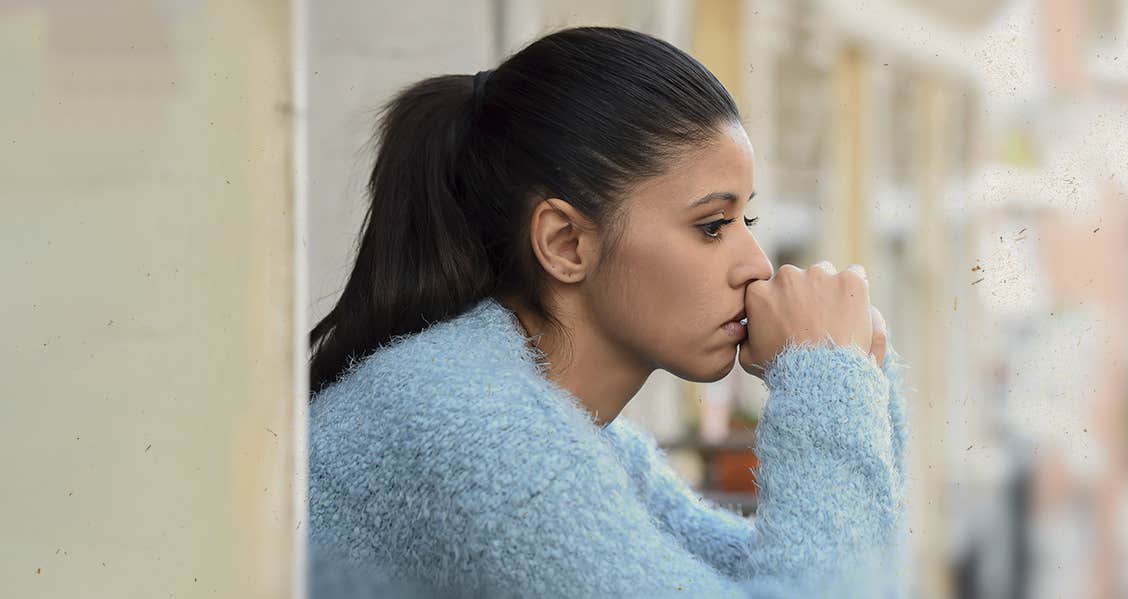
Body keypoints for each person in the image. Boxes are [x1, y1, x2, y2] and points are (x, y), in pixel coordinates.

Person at [306, 26, 911, 599]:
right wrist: (827, 378)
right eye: (712, 226)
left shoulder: (556, 429)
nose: (756, 264)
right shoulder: (480, 430)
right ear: (566, 244)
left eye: (745, 220)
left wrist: (857, 378)